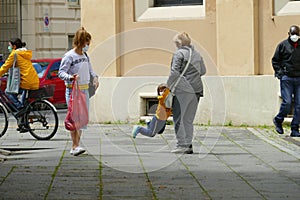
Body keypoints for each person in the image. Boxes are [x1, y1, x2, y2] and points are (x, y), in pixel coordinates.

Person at [58, 27, 99, 156]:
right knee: (74, 118)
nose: (88, 46)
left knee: (82, 120)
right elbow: (61, 72)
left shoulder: (85, 55)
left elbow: (90, 69)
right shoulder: (69, 56)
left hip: (84, 90)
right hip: (73, 91)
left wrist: (95, 78)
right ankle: (74, 145)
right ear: (81, 42)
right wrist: (70, 77)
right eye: (86, 43)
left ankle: (77, 145)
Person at [166, 32, 206, 154]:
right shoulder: (197, 54)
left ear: (178, 43)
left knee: (179, 118)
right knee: (188, 119)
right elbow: (203, 71)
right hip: (197, 90)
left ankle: (182, 145)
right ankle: (188, 144)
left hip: (183, 91)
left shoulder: (179, 54)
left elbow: (174, 73)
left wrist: (168, 86)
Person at [272, 25, 300, 137]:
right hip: (287, 78)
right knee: (287, 102)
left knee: (299, 105)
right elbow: (275, 60)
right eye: (293, 34)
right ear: (289, 34)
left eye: (297, 34)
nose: (295, 37)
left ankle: (295, 128)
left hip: (299, 78)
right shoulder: (283, 45)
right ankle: (278, 120)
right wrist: (280, 74)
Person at [0, 38, 39, 109]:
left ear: (14, 46)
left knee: (8, 92)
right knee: (24, 103)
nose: (9, 47)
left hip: (26, 81)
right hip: (33, 79)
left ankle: (19, 106)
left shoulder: (14, 54)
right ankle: (23, 114)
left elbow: (5, 67)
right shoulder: (25, 53)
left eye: (10, 45)